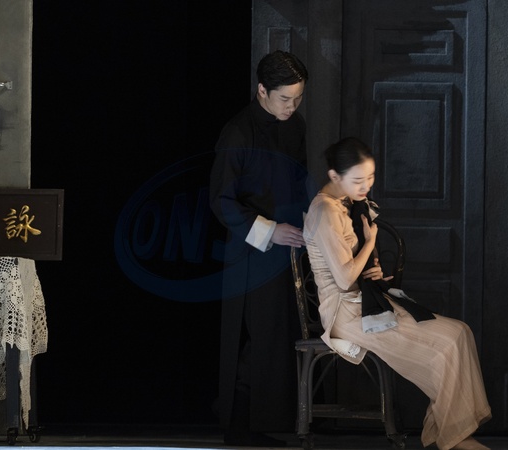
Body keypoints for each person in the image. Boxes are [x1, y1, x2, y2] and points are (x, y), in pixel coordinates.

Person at [302, 137, 492, 450]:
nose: (366, 186)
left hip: (364, 301)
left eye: (371, 177)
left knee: (460, 332)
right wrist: (369, 242)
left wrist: (373, 268)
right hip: (345, 313)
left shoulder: (345, 202)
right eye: (358, 180)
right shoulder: (325, 210)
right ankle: (456, 437)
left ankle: (450, 429)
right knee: (447, 343)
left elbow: (355, 268)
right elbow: (345, 279)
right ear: (335, 176)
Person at [209, 50, 312, 447]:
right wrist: (270, 231)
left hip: (289, 248)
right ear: (262, 90)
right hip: (249, 251)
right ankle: (239, 427)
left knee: (278, 336)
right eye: (285, 98)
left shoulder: (295, 126)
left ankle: (272, 422)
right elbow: (221, 200)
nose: (291, 107)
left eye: (298, 98)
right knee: (253, 336)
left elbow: (300, 182)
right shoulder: (238, 131)